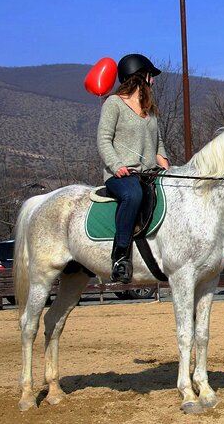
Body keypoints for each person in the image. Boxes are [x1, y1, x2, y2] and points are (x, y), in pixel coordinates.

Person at [97, 53, 170, 283]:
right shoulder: (113, 104)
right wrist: (116, 165)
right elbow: (103, 140)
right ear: (139, 77)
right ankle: (120, 258)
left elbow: (158, 145)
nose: (153, 81)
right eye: (151, 76)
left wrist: (166, 166)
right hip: (122, 175)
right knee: (132, 194)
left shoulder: (150, 110)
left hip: (148, 173)